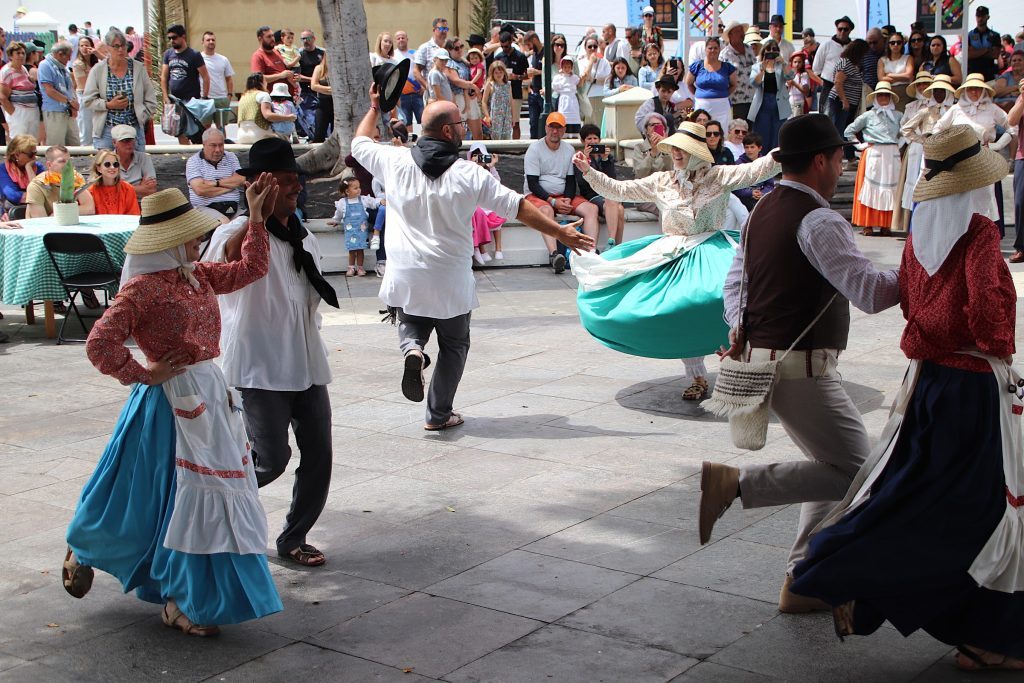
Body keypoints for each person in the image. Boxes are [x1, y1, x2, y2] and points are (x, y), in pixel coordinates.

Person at [788, 125, 1024, 672]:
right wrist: (997, 346)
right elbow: (991, 325)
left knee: (917, 493)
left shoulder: (919, 238)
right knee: (977, 510)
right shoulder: (981, 237)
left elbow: (913, 303)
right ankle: (849, 574)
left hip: (927, 383)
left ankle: (853, 577)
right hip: (970, 390)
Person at [699, 114, 900, 613]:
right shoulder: (819, 219)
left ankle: (803, 580)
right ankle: (735, 485)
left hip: (771, 362)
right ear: (819, 161)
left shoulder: (763, 210)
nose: (840, 166)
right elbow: (870, 292)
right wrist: (920, 270)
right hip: (799, 369)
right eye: (837, 158)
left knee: (831, 466)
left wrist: (740, 328)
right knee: (859, 471)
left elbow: (733, 287)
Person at [65, 183, 281, 637]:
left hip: (209, 395)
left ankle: (182, 593)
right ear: (167, 240)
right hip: (168, 402)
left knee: (170, 496)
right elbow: (99, 342)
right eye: (189, 234)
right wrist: (146, 374)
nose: (197, 240)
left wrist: (257, 220)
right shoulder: (141, 290)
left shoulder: (197, 274)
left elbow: (252, 268)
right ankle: (177, 596)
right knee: (165, 496)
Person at [350, 85, 593, 430]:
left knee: (410, 321)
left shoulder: (394, 160)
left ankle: (412, 350)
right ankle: (437, 415)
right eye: (462, 123)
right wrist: (561, 232)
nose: (465, 128)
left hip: (405, 274)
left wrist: (375, 107)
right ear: (448, 131)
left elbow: (358, 143)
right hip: (450, 280)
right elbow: (519, 207)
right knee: (454, 344)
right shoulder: (470, 174)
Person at [205, 138, 337, 568]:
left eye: (296, 179)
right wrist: (254, 216)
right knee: (271, 459)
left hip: (305, 360)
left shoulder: (304, 236)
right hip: (258, 364)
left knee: (319, 457)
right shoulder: (233, 233)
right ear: (260, 187)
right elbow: (225, 265)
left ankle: (294, 537)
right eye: (285, 181)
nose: (296, 187)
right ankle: (206, 509)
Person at [571, 121, 774, 401]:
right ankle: (696, 376)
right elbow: (620, 190)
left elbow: (759, 169)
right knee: (679, 309)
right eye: (674, 148)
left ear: (698, 151)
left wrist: (789, 149)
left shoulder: (720, 176)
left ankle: (746, 371)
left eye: (683, 149)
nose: (677, 154)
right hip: (673, 252)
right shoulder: (661, 180)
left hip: (713, 249)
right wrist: (588, 171)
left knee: (741, 299)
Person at [524, 112, 600, 273]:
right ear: (546, 128)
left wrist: (567, 199)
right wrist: (552, 201)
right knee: (545, 211)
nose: (555, 131)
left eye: (558, 127)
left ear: (564, 130)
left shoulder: (568, 149)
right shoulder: (534, 149)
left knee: (592, 209)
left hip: (562, 195)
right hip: (538, 196)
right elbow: (532, 183)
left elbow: (571, 180)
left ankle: (591, 251)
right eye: (552, 127)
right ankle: (554, 254)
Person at [891, 72, 953, 231]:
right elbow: (905, 128)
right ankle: (916, 226)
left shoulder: (954, 109)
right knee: (921, 183)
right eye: (936, 90)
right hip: (923, 151)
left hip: (948, 152)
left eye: (942, 90)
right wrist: (922, 140)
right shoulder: (922, 109)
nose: (938, 93)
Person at [83, 28, 157, 151]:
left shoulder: (138, 68)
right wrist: (108, 105)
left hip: (133, 130)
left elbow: (150, 98)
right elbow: (88, 100)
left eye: (123, 45)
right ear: (107, 48)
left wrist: (143, 116)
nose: (121, 50)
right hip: (106, 131)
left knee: (135, 167)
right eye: (116, 46)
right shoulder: (98, 70)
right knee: (107, 168)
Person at [846, 82, 903, 236]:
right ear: (876, 97)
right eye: (880, 95)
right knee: (870, 188)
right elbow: (849, 131)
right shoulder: (868, 115)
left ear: (890, 97)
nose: (883, 97)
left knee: (890, 188)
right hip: (874, 152)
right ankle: (868, 224)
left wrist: (900, 144)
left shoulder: (898, 115)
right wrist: (860, 145)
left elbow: (906, 132)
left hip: (892, 154)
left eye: (886, 95)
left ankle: (886, 225)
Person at [576, 123, 625, 248]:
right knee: (613, 201)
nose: (593, 142)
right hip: (592, 195)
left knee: (619, 208)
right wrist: (585, 160)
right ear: (583, 141)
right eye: (589, 139)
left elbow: (612, 180)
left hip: (607, 195)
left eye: (595, 138)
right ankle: (613, 243)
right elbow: (582, 182)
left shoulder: (606, 157)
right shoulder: (579, 158)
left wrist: (605, 160)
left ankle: (614, 244)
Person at [327, 176, 382, 277]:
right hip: (350, 231)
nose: (359, 190)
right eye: (355, 188)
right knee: (352, 250)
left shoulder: (363, 200)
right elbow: (339, 213)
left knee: (360, 249)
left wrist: (380, 202)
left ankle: (360, 267)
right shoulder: (342, 203)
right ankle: (351, 267)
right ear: (347, 191)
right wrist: (336, 220)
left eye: (359, 187)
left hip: (361, 231)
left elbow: (373, 202)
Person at [186, 126, 244, 219]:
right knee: (225, 224)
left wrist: (215, 183)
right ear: (204, 144)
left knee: (248, 222)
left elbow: (241, 179)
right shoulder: (194, 161)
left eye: (221, 145)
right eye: (213, 145)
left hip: (233, 207)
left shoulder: (231, 157)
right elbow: (200, 189)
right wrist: (230, 187)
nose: (218, 150)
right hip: (205, 208)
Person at [827, 39, 870, 162]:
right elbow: (838, 82)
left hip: (850, 103)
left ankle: (850, 157)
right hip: (841, 102)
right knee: (839, 130)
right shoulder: (845, 63)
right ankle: (835, 158)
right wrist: (844, 100)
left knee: (848, 130)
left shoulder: (853, 65)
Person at [26, 145, 95, 218]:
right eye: (62, 161)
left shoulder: (76, 178)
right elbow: (39, 220)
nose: (68, 165)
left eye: (69, 161)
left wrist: (59, 213)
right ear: (49, 165)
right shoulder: (37, 185)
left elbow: (89, 208)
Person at [466, 143, 506, 264]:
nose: (479, 159)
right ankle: (481, 249)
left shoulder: (489, 170)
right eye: (476, 156)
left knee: (499, 214)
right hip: (476, 207)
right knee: (478, 215)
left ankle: (499, 248)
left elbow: (496, 185)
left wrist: (491, 166)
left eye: (482, 156)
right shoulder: (468, 170)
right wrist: (473, 165)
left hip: (488, 205)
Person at [749, 39, 791, 150]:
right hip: (763, 103)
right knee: (762, 134)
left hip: (779, 104)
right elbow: (754, 82)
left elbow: (790, 76)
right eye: (768, 49)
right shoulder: (757, 66)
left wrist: (783, 63)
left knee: (777, 135)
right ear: (763, 51)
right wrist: (762, 70)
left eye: (774, 49)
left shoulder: (781, 65)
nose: (771, 52)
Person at [38, 41, 80, 146]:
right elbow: (49, 90)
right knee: (57, 146)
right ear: (60, 54)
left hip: (68, 111)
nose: (69, 59)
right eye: (68, 56)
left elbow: (69, 89)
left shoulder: (63, 68)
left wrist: (73, 106)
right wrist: (70, 102)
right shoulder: (45, 65)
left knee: (74, 144)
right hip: (54, 111)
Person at [0, 42, 40, 138]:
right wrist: (14, 113)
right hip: (19, 112)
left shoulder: (23, 69)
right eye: (18, 53)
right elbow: (2, 96)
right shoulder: (6, 72)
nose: (21, 55)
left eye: (23, 53)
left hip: (32, 111)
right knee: (20, 142)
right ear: (10, 56)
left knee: (31, 141)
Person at [813, 16, 855, 106]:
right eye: (840, 29)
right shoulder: (826, 45)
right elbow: (816, 68)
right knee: (826, 116)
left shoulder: (852, 47)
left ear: (850, 30)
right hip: (828, 85)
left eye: (845, 29)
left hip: (847, 87)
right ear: (836, 29)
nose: (842, 32)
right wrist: (824, 83)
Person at [236, 73, 287, 144]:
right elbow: (268, 115)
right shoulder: (263, 95)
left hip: (242, 135)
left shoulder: (243, 96)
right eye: (265, 80)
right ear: (261, 83)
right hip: (259, 133)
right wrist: (287, 117)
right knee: (283, 141)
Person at [720, 21, 756, 121]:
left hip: (752, 99)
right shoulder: (724, 55)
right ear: (730, 35)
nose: (742, 34)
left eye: (742, 31)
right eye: (738, 31)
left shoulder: (749, 49)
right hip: (735, 101)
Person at [412, 17, 450, 107]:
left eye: (446, 29)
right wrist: (428, 86)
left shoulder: (449, 46)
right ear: (434, 30)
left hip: (449, 92)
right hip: (434, 96)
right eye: (441, 28)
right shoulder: (425, 48)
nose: (444, 31)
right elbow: (416, 71)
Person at [111, 124, 157, 200]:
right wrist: (141, 188)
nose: (129, 144)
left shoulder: (144, 158)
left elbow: (151, 190)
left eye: (131, 140)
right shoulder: (106, 160)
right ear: (114, 142)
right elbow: (108, 190)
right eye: (124, 141)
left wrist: (120, 188)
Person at [87, 149, 139, 215]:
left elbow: (134, 216)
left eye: (115, 164)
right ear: (99, 168)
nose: (112, 167)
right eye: (107, 164)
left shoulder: (128, 189)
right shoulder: (90, 191)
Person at [0, 134, 42, 215]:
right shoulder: (3, 169)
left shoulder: (38, 167)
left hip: (35, 210)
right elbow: (12, 195)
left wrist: (29, 168)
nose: (34, 157)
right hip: (11, 212)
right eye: (30, 154)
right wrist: (35, 196)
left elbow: (41, 190)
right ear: (17, 154)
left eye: (35, 153)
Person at [732, 132, 775, 210]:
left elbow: (770, 185)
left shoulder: (766, 164)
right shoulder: (738, 164)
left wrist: (763, 193)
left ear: (759, 148)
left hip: (762, 198)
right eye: (746, 147)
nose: (749, 150)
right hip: (743, 200)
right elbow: (735, 187)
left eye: (752, 147)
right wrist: (750, 193)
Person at [250, 26, 297, 96]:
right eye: (269, 37)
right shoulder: (258, 56)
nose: (272, 39)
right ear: (260, 39)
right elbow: (258, 79)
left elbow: (288, 69)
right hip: (272, 100)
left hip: (289, 98)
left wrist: (296, 76)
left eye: (272, 36)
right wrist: (280, 75)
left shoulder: (277, 52)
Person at [200, 32, 234, 125]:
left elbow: (229, 78)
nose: (211, 42)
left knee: (221, 128)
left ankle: (222, 141)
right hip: (205, 99)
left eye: (213, 40)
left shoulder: (223, 59)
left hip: (221, 99)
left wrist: (229, 95)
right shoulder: (198, 59)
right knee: (205, 128)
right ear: (202, 42)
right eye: (208, 40)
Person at [295, 30, 324, 136]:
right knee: (310, 116)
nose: (305, 41)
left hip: (321, 90)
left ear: (314, 39)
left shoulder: (322, 53)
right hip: (306, 91)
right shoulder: (298, 55)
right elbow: (298, 76)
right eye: (303, 39)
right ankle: (313, 135)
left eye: (308, 38)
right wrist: (313, 80)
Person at [578, 34, 610, 128]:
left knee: (600, 125)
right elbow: (584, 76)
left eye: (595, 46)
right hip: (586, 96)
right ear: (585, 48)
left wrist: (594, 80)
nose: (592, 48)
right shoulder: (581, 62)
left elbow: (608, 79)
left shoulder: (604, 61)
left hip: (601, 95)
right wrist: (591, 62)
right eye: (589, 46)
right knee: (588, 125)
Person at [631, 112, 673, 181]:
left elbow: (673, 169)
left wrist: (665, 148)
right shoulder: (639, 147)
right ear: (646, 130)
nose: (655, 127)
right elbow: (640, 174)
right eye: (652, 125)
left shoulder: (671, 147)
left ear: (664, 129)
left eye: (658, 125)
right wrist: (652, 153)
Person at [877, 32, 914, 111]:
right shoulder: (882, 60)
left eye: (899, 42)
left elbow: (909, 76)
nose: (896, 45)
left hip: (905, 92)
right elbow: (881, 79)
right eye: (892, 43)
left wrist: (889, 75)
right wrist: (902, 77)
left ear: (902, 44)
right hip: (888, 93)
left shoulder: (908, 58)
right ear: (888, 44)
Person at [1008, 82, 1024, 263]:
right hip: (1022, 156)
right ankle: (1022, 247)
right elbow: (1011, 121)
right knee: (1021, 202)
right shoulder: (1022, 97)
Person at [73, 36, 98, 144]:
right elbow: (84, 83)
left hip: (95, 96)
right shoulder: (78, 64)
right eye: (81, 45)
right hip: (84, 95)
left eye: (86, 45)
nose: (84, 48)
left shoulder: (95, 63)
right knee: (85, 127)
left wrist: (97, 53)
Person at [968, 5, 1002, 82]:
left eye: (982, 16)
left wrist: (975, 52)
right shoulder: (969, 35)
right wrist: (987, 49)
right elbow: (968, 55)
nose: (980, 18)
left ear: (988, 17)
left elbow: (995, 54)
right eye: (978, 16)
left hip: (989, 74)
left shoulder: (995, 35)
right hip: (973, 74)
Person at [481, 60, 513, 140]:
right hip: (495, 117)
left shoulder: (508, 85)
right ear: (492, 73)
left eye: (500, 72)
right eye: (496, 72)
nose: (499, 74)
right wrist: (487, 116)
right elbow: (484, 102)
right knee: (495, 138)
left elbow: (511, 102)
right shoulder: (490, 85)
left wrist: (514, 117)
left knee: (507, 138)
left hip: (507, 116)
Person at [551, 56, 582, 135]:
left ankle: (575, 132)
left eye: (569, 67)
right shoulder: (558, 77)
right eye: (565, 67)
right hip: (563, 99)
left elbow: (580, 82)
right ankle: (564, 132)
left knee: (574, 116)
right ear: (562, 67)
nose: (567, 69)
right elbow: (554, 87)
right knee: (563, 116)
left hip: (572, 99)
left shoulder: (574, 77)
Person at [786, 52, 811, 116]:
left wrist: (795, 84)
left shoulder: (803, 75)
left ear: (802, 63)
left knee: (796, 119)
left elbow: (806, 92)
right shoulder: (790, 74)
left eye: (799, 62)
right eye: (795, 62)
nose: (797, 64)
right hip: (790, 101)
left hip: (798, 102)